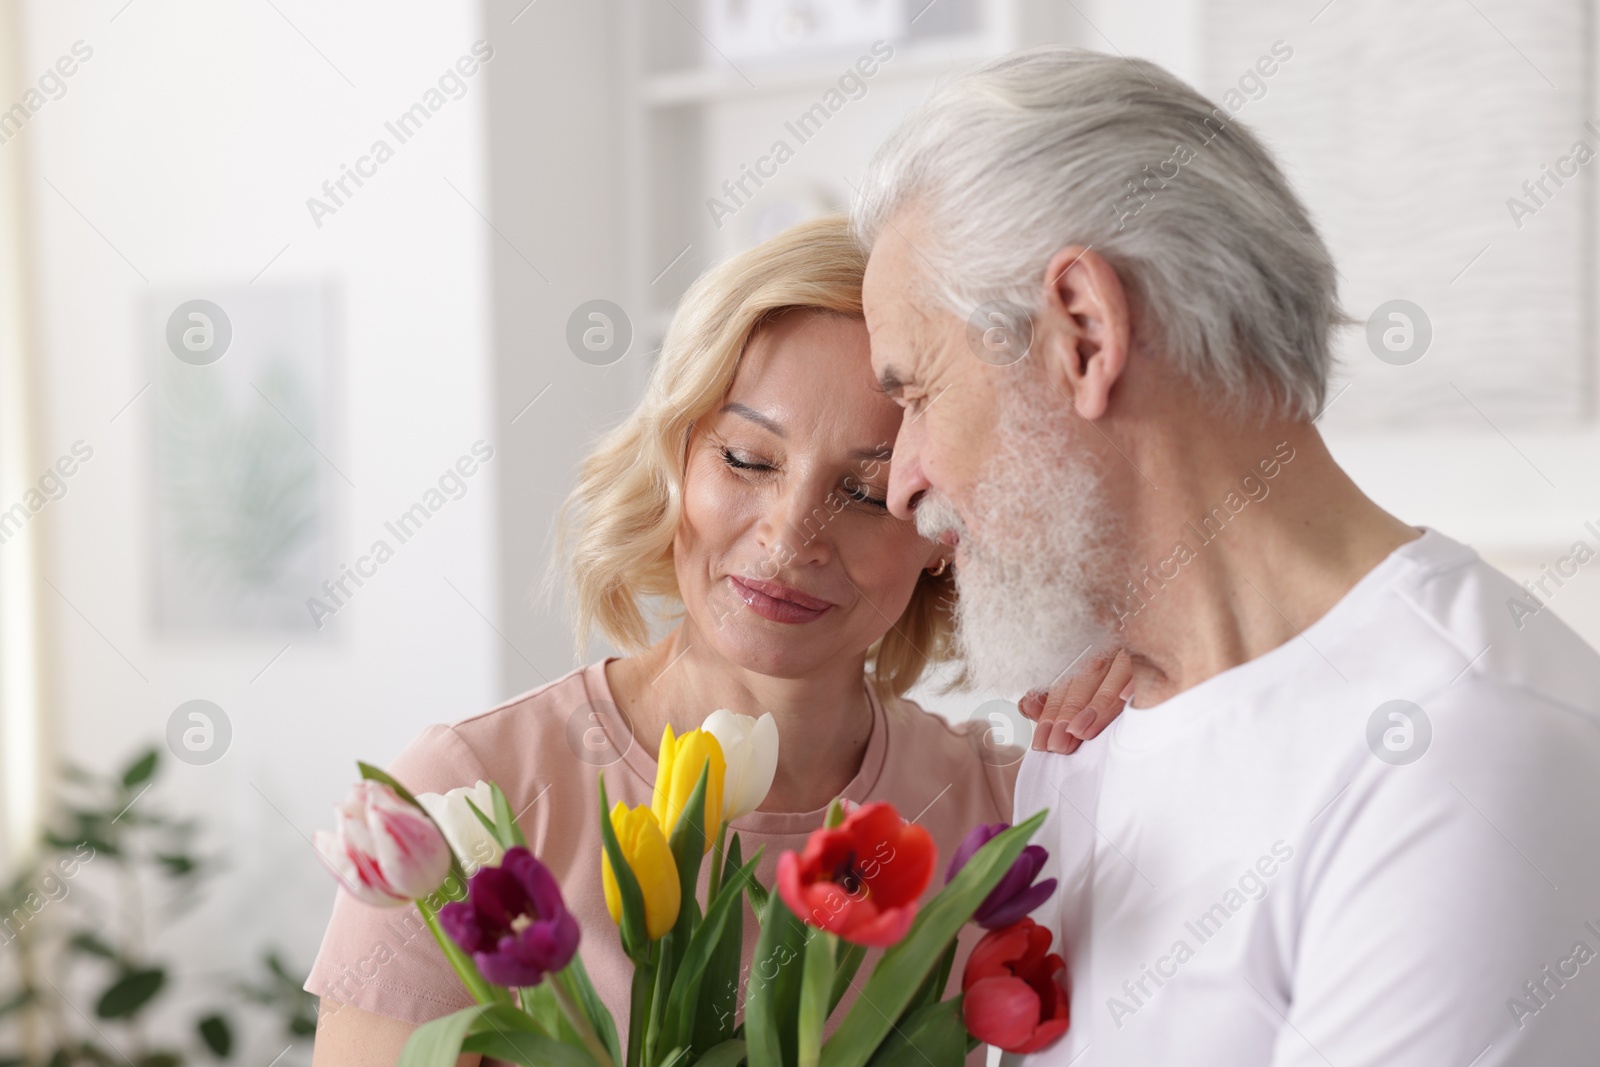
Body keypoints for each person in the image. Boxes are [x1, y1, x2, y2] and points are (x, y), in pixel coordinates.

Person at [853, 45, 1600, 1067]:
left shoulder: (1465, 756)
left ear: (1081, 330)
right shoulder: (1094, 730)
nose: (903, 480)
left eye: (916, 394)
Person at [305, 214, 1113, 1066]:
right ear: (676, 458)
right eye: (747, 459)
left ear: (946, 534)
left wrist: (1147, 668)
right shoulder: (468, 800)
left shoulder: (1008, 811)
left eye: (866, 493)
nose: (790, 535)